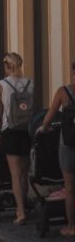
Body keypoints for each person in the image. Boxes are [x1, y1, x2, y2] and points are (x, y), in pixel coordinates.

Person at [0, 51, 33, 225]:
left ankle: (21, 212)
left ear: (7, 66)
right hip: (26, 131)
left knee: (15, 174)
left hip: (10, 131)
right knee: (24, 173)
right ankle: (22, 206)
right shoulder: (30, 83)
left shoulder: (1, 84)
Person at [36, 58, 75, 236]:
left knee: (70, 188)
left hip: (67, 146)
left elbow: (49, 117)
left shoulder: (63, 91)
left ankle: (71, 227)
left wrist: (43, 129)